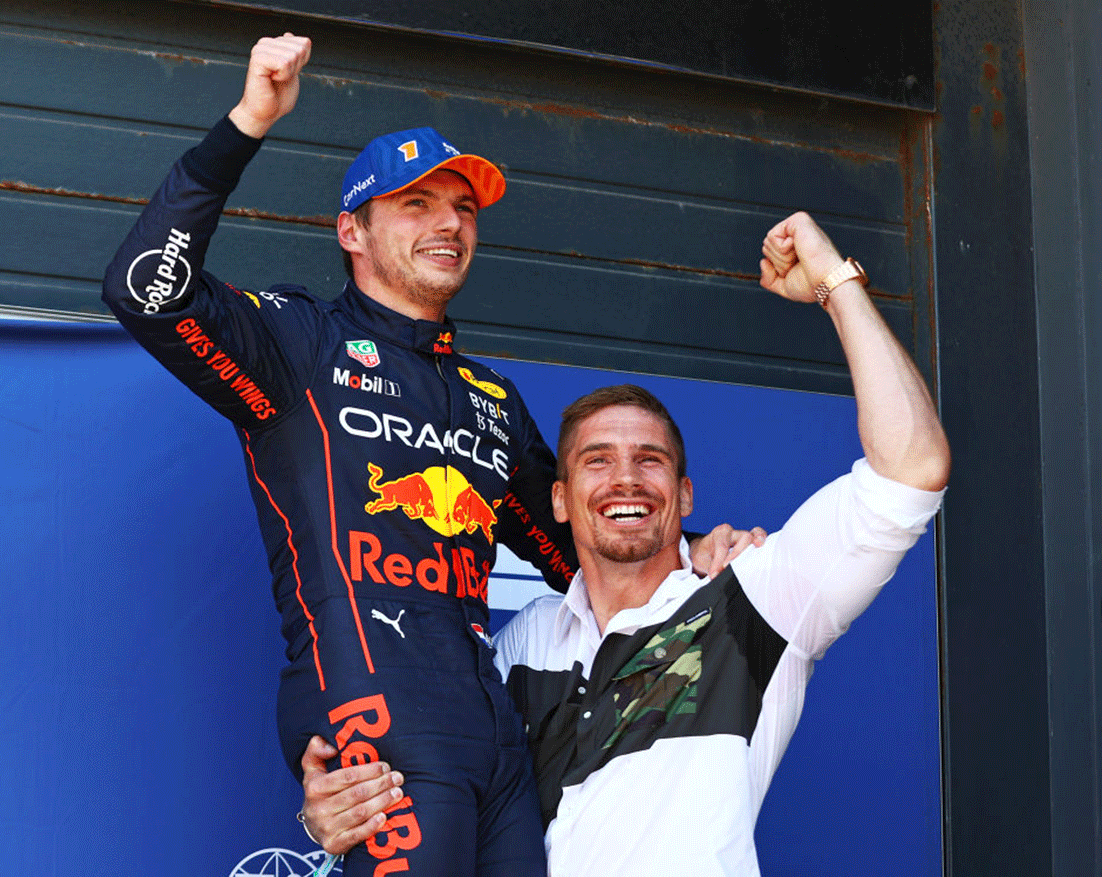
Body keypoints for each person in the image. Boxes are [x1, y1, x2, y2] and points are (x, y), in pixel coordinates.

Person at [101, 33, 753, 877]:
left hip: (498, 746)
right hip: (380, 732)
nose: (448, 222)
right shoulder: (298, 344)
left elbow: (586, 558)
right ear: (353, 230)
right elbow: (145, 290)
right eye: (415, 203)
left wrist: (690, 560)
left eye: (463, 207)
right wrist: (249, 121)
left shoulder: (491, 401)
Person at [298, 211, 951, 876]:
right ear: (557, 498)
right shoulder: (523, 643)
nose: (626, 479)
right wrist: (330, 807)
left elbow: (913, 467)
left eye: (650, 459)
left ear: (685, 494)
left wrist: (834, 280)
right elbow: (433, 775)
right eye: (598, 461)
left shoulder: (754, 605)